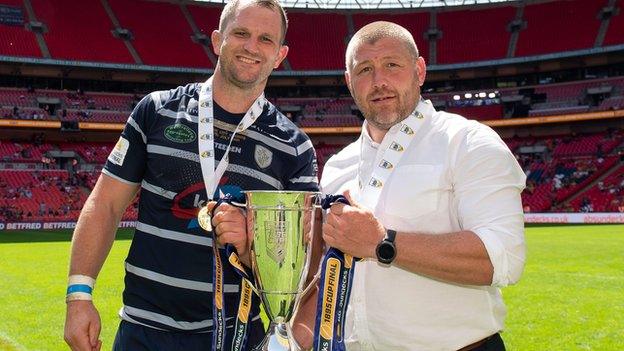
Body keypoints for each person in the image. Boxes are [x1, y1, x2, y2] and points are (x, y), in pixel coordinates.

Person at [63, 1, 318, 350]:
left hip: (238, 333)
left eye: (265, 39)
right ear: (217, 40)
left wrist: (251, 245)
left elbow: (300, 260)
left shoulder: (295, 147)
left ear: (279, 54)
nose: (251, 47)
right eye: (240, 33)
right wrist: (79, 294)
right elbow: (105, 204)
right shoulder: (156, 110)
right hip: (143, 331)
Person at [297, 21, 527, 350]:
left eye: (392, 64)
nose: (379, 82)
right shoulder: (337, 166)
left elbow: (503, 257)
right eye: (364, 70)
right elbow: (325, 273)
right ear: (349, 82)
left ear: (419, 70)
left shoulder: (467, 141)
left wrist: (382, 242)